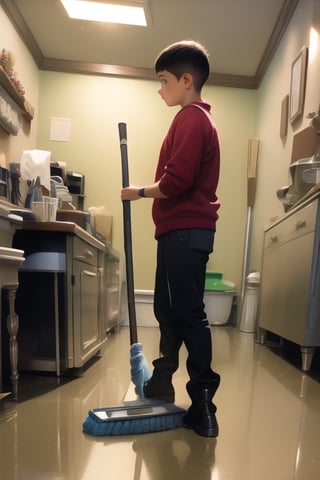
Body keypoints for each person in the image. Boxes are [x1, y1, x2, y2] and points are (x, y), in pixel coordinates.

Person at [121, 40, 221, 438]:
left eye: (163, 81)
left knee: (188, 315)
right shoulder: (196, 119)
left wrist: (139, 192)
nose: (160, 89)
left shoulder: (191, 118)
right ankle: (162, 380)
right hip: (185, 233)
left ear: (186, 80)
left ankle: (203, 406)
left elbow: (176, 182)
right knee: (171, 309)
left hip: (183, 232)